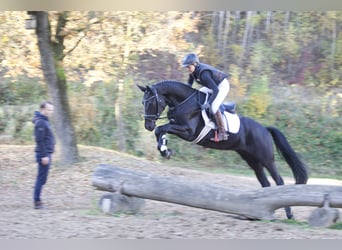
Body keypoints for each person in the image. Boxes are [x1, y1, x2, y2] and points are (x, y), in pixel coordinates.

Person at [181, 53, 230, 142]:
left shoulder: (204, 74)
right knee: (199, 92)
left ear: (195, 64)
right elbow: (189, 85)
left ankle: (222, 133)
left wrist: (208, 103)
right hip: (213, 86)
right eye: (186, 67)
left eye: (188, 67)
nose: (187, 69)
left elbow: (216, 90)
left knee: (213, 107)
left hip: (222, 86)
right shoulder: (193, 72)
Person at [32, 101, 55, 209]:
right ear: (43, 109)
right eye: (49, 110)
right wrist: (44, 156)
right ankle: (37, 202)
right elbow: (39, 140)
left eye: (52, 110)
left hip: (47, 153)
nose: (51, 112)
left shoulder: (44, 121)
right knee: (41, 178)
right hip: (44, 154)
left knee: (42, 179)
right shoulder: (41, 122)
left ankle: (37, 199)